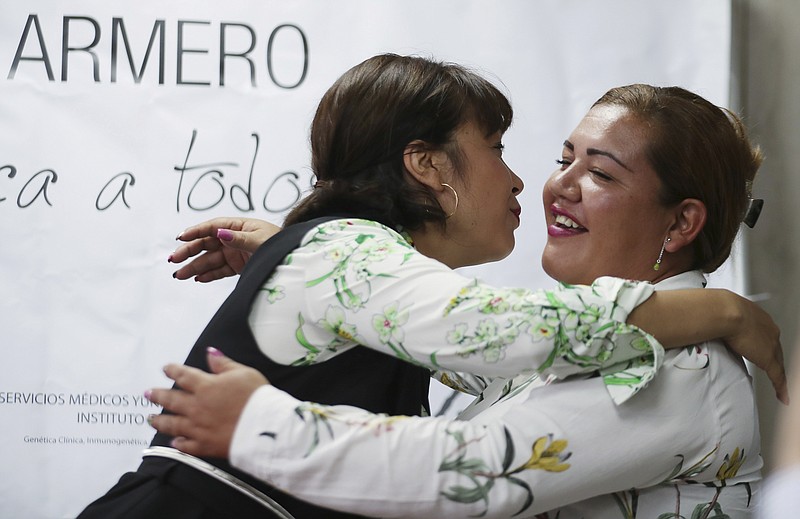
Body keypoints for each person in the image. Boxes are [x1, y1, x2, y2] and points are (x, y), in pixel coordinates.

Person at [148, 83, 781, 518]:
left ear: (680, 225)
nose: (558, 186)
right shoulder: (603, 339)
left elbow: (476, 471)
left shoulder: (682, 364)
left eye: (602, 172)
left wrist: (260, 425)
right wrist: (310, 265)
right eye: (565, 160)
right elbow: (478, 339)